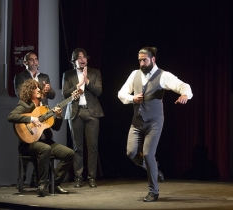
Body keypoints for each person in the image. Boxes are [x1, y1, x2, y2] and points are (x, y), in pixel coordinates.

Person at [118, 47, 193, 202]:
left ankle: (154, 191)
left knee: (147, 154)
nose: (142, 63)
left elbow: (183, 86)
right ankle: (155, 169)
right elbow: (121, 93)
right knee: (131, 153)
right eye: (139, 60)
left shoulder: (163, 76)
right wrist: (132, 99)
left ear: (153, 59)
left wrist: (185, 95)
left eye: (144, 59)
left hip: (154, 121)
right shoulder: (135, 74)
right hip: (137, 121)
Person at [8, 79, 74, 196]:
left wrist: (58, 116)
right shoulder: (24, 105)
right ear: (29, 91)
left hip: (46, 142)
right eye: (35, 88)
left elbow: (56, 128)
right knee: (45, 148)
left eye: (39, 87)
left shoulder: (45, 108)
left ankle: (55, 183)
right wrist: (31, 119)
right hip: (28, 144)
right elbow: (11, 116)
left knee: (69, 153)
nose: (39, 89)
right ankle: (42, 184)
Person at [62, 48, 104, 188]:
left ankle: (92, 177)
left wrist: (86, 81)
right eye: (79, 57)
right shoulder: (67, 75)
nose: (82, 59)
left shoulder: (94, 72)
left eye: (84, 57)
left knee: (92, 146)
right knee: (77, 147)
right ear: (74, 61)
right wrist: (78, 85)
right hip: (75, 112)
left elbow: (98, 91)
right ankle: (78, 177)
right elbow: (65, 93)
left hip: (92, 112)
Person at [13, 52, 56, 187]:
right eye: (31, 60)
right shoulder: (20, 77)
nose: (34, 61)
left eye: (36, 59)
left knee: (44, 143)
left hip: (43, 116)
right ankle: (23, 176)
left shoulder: (44, 77)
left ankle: (36, 179)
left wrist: (47, 91)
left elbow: (53, 95)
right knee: (29, 144)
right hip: (28, 115)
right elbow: (21, 94)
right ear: (25, 63)